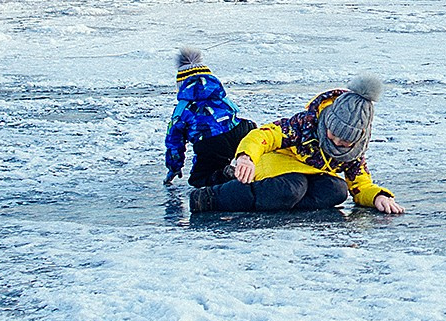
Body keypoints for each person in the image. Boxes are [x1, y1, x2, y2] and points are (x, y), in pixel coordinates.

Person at [190, 76, 404, 216]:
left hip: (308, 176)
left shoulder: (352, 152)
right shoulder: (305, 125)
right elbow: (263, 136)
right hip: (275, 168)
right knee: (292, 187)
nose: (338, 143)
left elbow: (360, 184)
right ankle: (212, 197)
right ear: (328, 121)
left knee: (337, 190)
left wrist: (378, 196)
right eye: (334, 135)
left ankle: (279, 204)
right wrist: (246, 157)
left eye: (345, 140)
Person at [165, 48, 257, 189]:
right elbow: (234, 112)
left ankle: (225, 174)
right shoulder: (221, 96)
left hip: (211, 140)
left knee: (199, 178)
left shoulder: (182, 109)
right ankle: (253, 166)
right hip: (241, 131)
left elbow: (174, 142)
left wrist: (174, 168)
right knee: (248, 138)